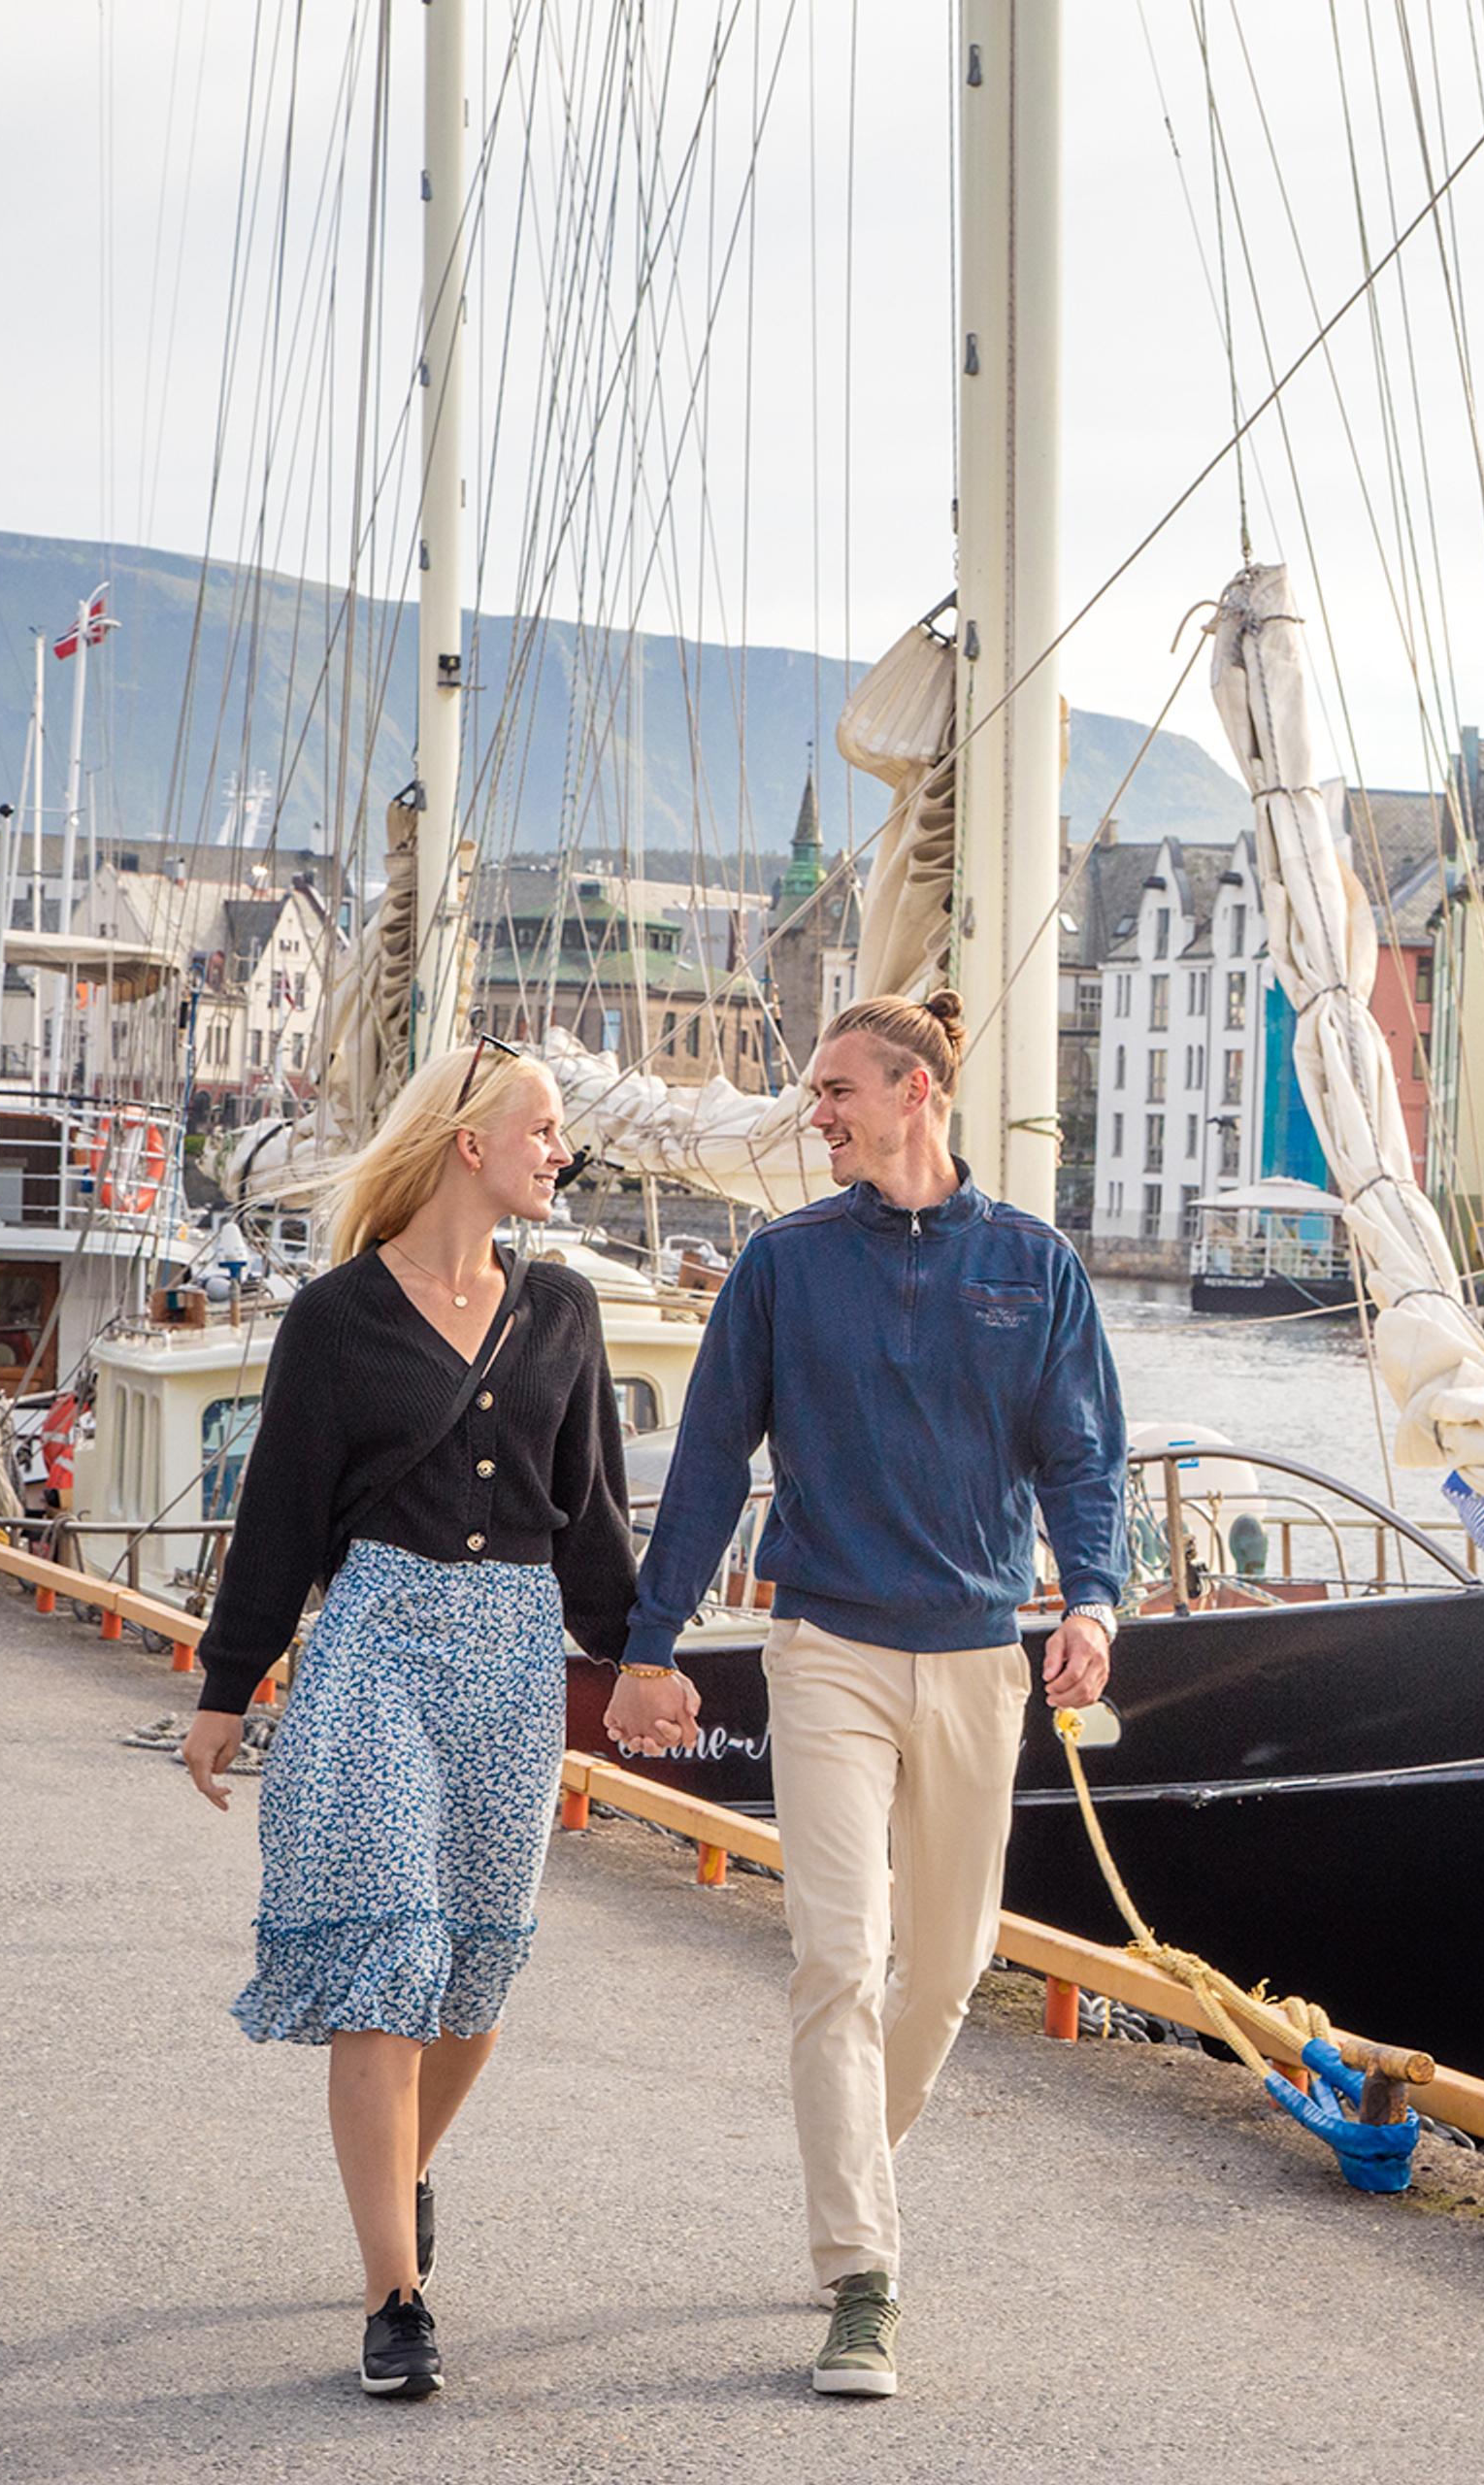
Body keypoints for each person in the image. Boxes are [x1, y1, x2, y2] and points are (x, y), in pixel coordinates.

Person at [614, 991, 1126, 2402]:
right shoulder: (785, 1267)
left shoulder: (1034, 1266)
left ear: (915, 1093)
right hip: (826, 1648)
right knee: (840, 1957)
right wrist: (653, 1642)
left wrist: (1092, 1601)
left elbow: (1085, 1461)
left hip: (977, 1656)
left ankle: (855, 2177)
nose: (816, 1113)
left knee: (951, 1967)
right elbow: (711, 1461)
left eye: (837, 1091)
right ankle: (864, 2276)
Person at [179, 1035, 638, 2403]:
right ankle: (396, 2296)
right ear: (470, 1144)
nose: (564, 1152)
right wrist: (225, 1686)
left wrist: (642, 1659)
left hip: (514, 1654)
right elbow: (277, 1519)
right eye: (546, 1129)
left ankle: (405, 2180)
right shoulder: (335, 1319)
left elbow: (594, 1519)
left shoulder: (563, 1310)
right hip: (375, 1642)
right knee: (390, 1957)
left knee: (475, 1974)